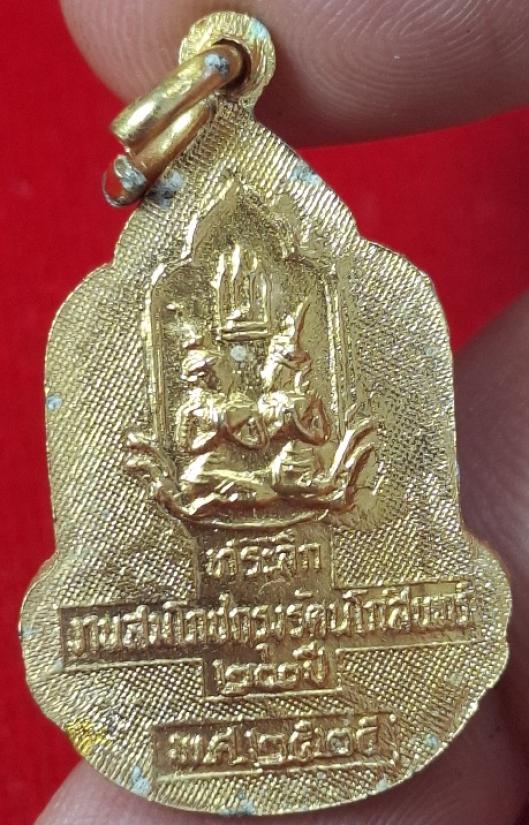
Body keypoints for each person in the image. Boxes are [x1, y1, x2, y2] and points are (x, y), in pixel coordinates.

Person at [38, 1, 529, 823]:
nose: (236, 359)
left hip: (294, 492)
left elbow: (305, 429)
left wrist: (279, 410)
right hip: (223, 495)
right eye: (213, 356)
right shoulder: (204, 379)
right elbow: (201, 438)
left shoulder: (286, 373)